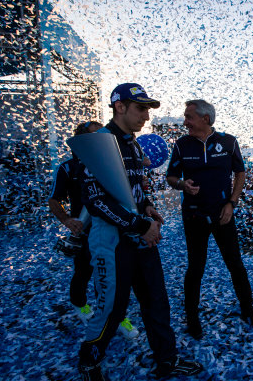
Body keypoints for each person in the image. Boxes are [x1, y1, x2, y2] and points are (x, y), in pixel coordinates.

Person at [77, 84, 202, 380]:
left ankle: (167, 361)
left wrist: (147, 207)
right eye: (140, 108)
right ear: (119, 107)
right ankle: (89, 362)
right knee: (112, 309)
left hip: (141, 236)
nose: (146, 116)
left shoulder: (133, 144)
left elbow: (133, 189)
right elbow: (95, 199)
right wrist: (140, 225)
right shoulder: (98, 142)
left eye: (147, 109)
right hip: (111, 242)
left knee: (156, 301)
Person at [166, 99, 253, 340]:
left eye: (188, 117)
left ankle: (248, 309)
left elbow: (240, 172)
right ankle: (192, 317)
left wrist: (232, 202)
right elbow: (170, 177)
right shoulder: (181, 144)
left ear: (205, 119)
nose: (185, 121)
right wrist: (181, 184)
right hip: (194, 215)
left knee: (235, 264)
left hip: (223, 214)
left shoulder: (228, 141)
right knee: (195, 268)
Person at [49, 120, 139, 339]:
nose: (102, 139)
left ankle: (115, 316)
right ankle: (80, 305)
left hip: (112, 228)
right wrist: (68, 220)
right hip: (84, 231)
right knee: (84, 272)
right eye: (95, 135)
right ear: (81, 143)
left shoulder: (110, 163)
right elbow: (54, 200)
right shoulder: (68, 168)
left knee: (111, 276)